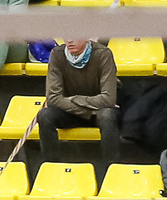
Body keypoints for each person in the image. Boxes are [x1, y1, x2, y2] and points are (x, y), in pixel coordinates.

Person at [37, 38, 120, 172]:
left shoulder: (103, 53)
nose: (69, 40)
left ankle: (111, 170)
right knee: (45, 115)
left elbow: (108, 100)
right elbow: (53, 98)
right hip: (78, 111)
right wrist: (88, 110)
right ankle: (51, 169)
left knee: (107, 115)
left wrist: (74, 99)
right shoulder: (57, 54)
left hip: (99, 112)